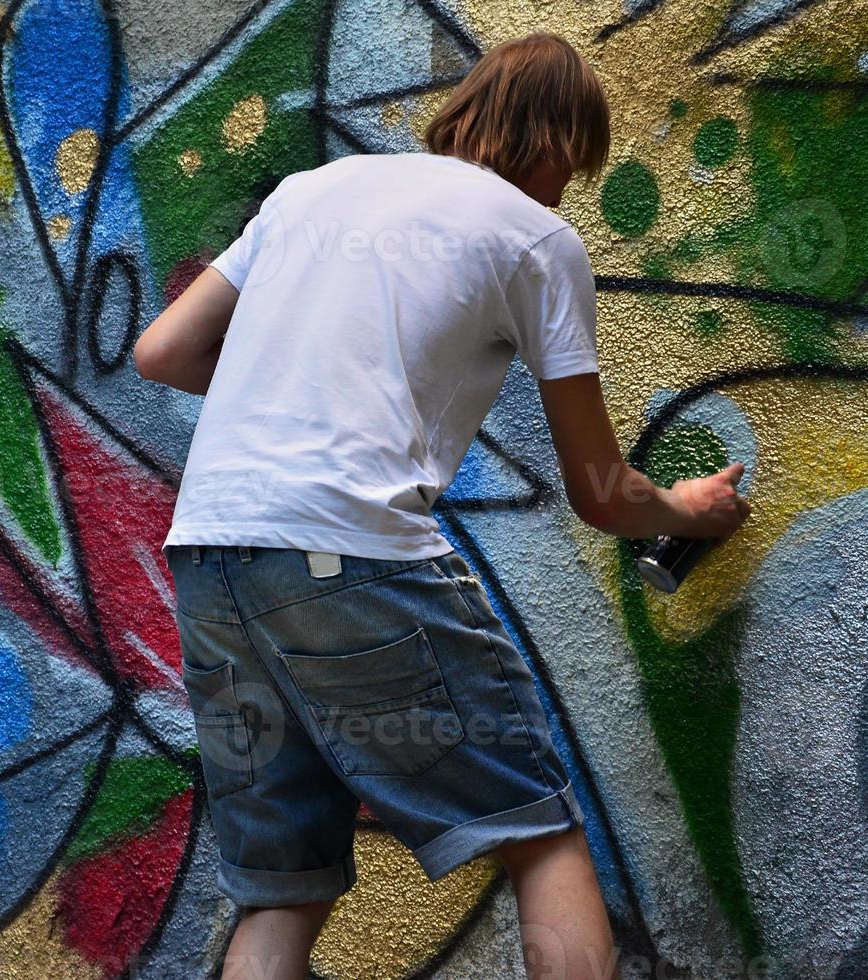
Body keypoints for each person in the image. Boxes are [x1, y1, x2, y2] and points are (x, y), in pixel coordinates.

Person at [134, 31, 750, 980]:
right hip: (349, 554)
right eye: (570, 171)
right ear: (554, 145)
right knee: (536, 830)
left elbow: (162, 352)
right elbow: (597, 491)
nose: (561, 194)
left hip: (211, 559)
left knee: (283, 887)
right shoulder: (534, 238)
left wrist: (294, 387)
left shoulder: (313, 193)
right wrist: (685, 508)